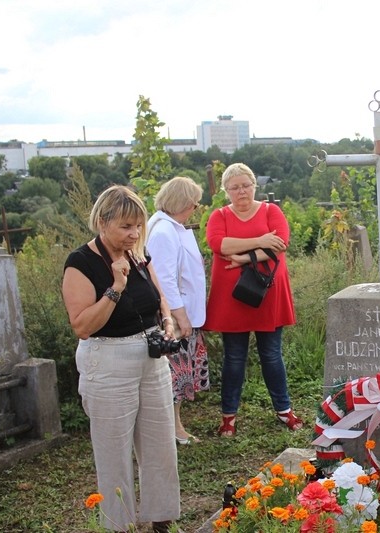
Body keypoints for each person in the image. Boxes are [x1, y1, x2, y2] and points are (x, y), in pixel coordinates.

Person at [62, 185, 181, 533]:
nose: (133, 234)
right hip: (108, 361)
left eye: (138, 226)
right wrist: (115, 287)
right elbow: (82, 326)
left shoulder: (138, 254)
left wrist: (168, 321)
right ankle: (120, 526)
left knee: (161, 446)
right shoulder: (80, 263)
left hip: (150, 356)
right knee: (114, 453)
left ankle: (163, 521)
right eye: (126, 226)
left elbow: (159, 297)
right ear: (102, 221)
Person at [204, 162, 302, 436]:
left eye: (246, 185)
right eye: (234, 187)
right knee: (234, 357)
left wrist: (243, 257)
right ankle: (228, 416)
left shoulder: (272, 211)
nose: (241, 191)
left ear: (254, 185)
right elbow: (218, 245)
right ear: (226, 190)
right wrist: (261, 241)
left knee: (271, 354)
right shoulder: (219, 215)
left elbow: (280, 243)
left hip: (267, 292)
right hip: (231, 297)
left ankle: (284, 410)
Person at [147, 176, 210, 445]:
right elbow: (164, 278)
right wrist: (178, 314)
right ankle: (173, 428)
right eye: (194, 204)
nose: (194, 209)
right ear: (181, 203)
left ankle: (175, 424)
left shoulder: (172, 227)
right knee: (174, 372)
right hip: (173, 314)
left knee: (178, 372)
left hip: (181, 310)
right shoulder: (163, 231)